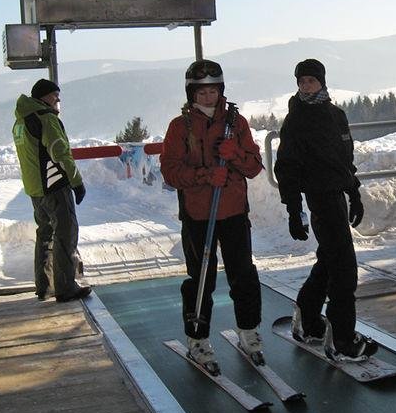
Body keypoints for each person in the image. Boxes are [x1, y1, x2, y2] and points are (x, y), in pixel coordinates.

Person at [160, 60, 265, 374]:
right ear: (192, 92)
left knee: (243, 273)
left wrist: (235, 155)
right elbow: (170, 171)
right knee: (201, 279)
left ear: (221, 91)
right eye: (202, 92)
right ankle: (198, 338)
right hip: (199, 214)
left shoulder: (237, 123)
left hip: (233, 210)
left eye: (214, 91)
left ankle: (248, 331)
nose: (209, 97)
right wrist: (206, 175)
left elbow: (254, 166)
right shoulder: (180, 127)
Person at [274, 58, 378, 362]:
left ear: (322, 81)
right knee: (344, 269)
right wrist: (294, 210)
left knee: (331, 259)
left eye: (311, 80)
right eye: (301, 81)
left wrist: (354, 193)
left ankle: (307, 319)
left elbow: (345, 159)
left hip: (337, 196)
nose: (306, 86)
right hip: (319, 198)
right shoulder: (296, 121)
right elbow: (287, 169)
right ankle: (342, 340)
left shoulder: (335, 115)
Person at [12, 78, 91, 303]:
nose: (58, 99)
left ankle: (44, 285)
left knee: (45, 234)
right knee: (65, 233)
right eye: (55, 95)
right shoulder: (46, 119)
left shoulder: (20, 121)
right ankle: (66, 287)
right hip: (54, 185)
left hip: (35, 188)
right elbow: (60, 152)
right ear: (45, 96)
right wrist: (76, 182)